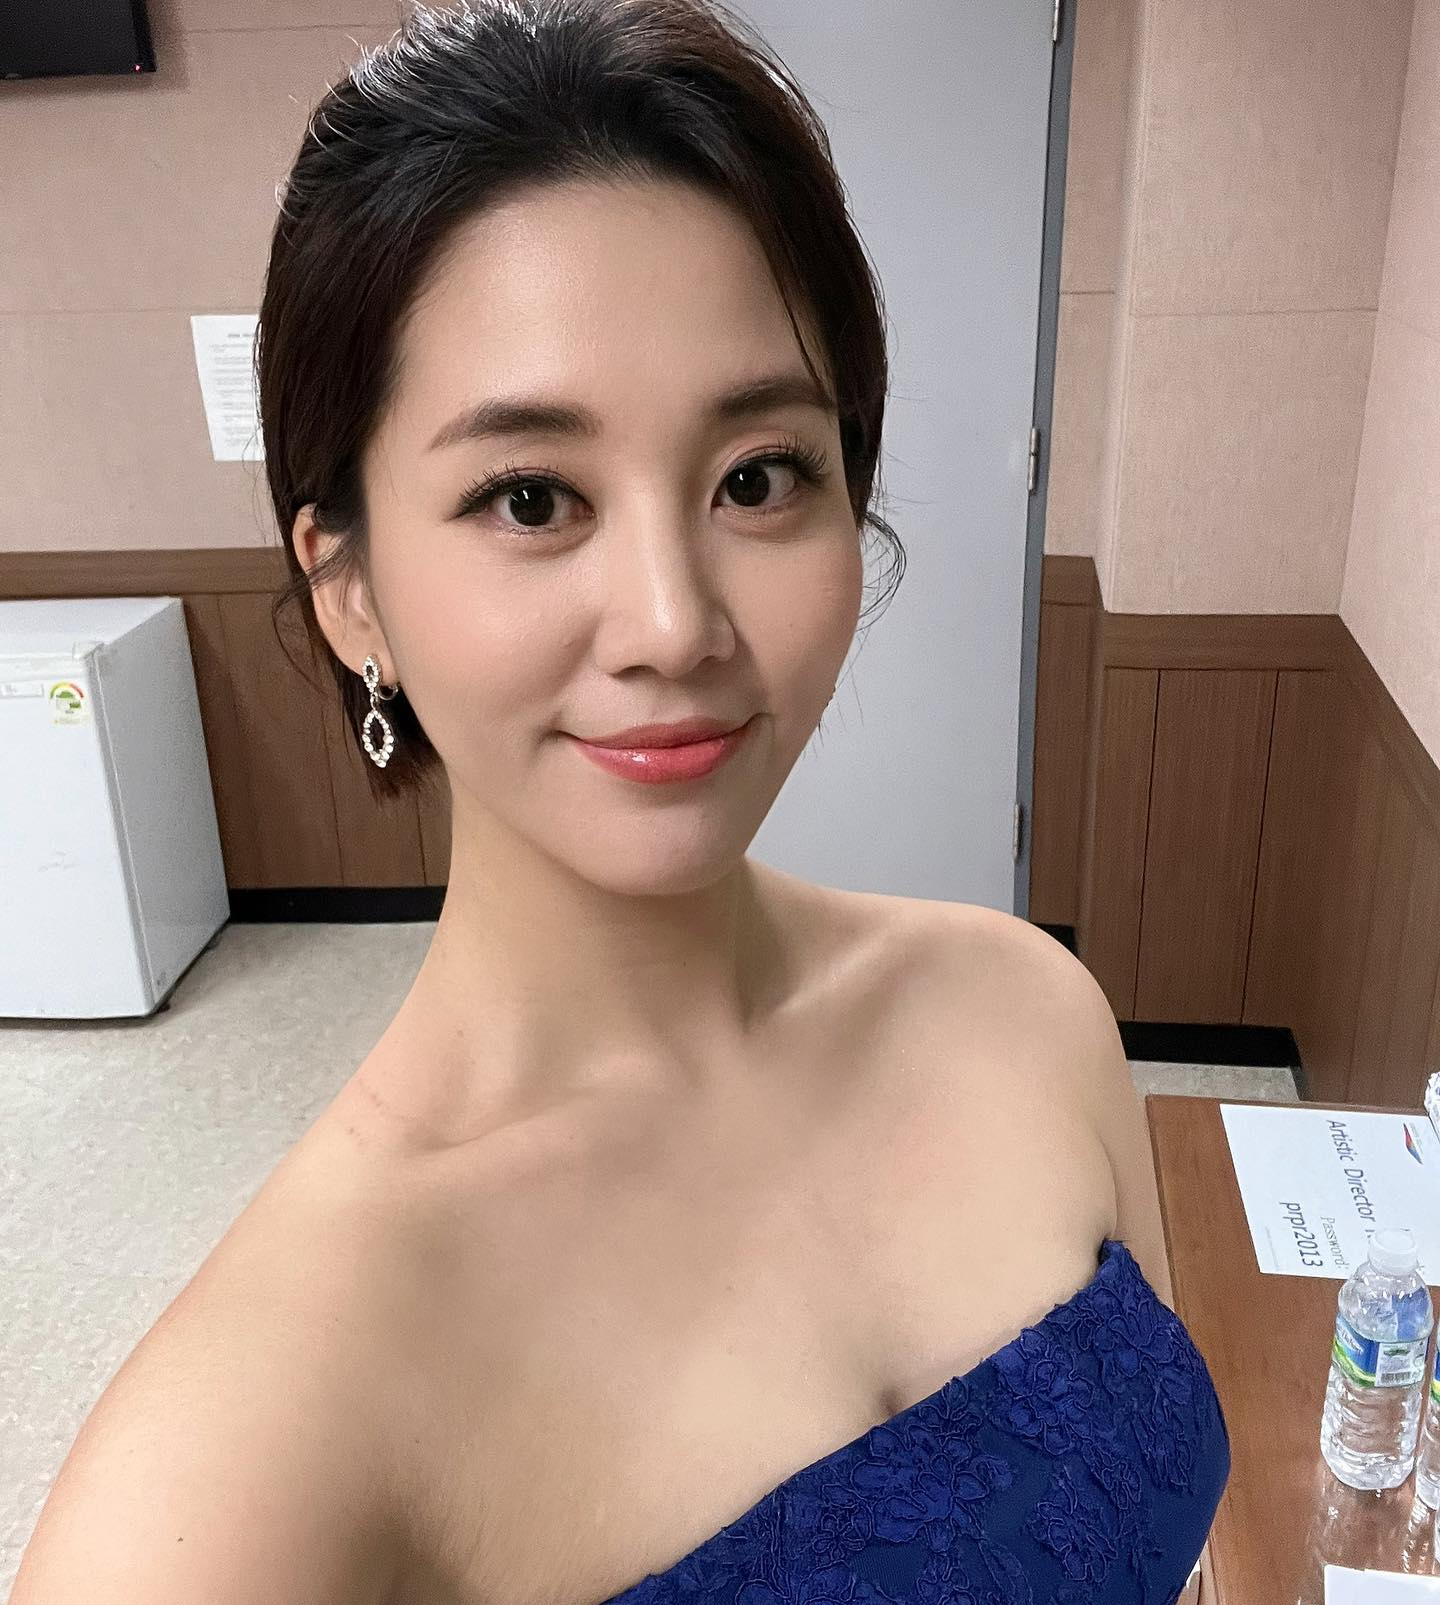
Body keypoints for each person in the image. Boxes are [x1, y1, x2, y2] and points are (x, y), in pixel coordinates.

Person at [11, 1, 1229, 1601]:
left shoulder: (1029, 1008)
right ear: (350, 587)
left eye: (757, 477)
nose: (673, 622)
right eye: (532, 498)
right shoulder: (233, 1468)